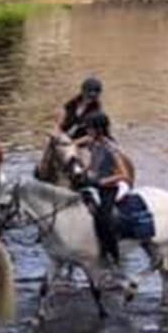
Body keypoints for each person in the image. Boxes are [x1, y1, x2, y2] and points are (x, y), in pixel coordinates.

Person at [76, 113, 130, 268]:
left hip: (107, 188)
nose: (87, 130)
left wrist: (104, 181)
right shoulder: (93, 142)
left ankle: (113, 256)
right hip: (93, 183)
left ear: (99, 129)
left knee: (104, 220)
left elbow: (124, 174)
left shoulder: (111, 148)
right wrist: (84, 169)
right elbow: (92, 161)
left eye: (90, 128)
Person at [55, 76, 108, 143]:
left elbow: (91, 136)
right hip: (65, 134)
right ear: (83, 92)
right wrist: (57, 129)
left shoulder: (96, 111)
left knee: (70, 152)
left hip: (81, 140)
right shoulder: (74, 102)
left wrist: (74, 143)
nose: (89, 99)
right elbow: (63, 111)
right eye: (88, 96)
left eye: (93, 97)